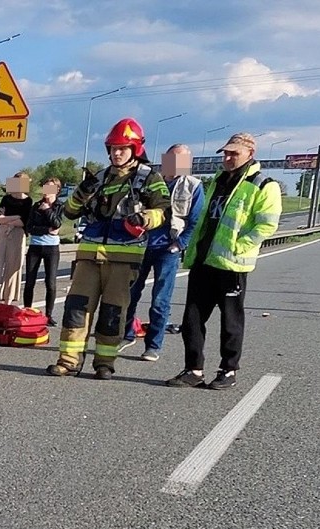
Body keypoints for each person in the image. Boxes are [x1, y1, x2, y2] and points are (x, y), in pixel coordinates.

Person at [47, 118, 170, 380]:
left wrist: (145, 218)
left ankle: (104, 363)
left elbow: (164, 212)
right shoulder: (99, 178)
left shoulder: (150, 178)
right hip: (89, 256)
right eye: (113, 148)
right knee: (76, 308)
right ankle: (68, 360)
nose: (116, 153)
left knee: (113, 312)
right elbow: (69, 212)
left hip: (124, 258)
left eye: (123, 148)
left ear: (135, 149)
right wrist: (82, 191)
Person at [167, 133, 282, 390]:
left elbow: (267, 225)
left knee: (231, 322)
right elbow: (206, 219)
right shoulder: (219, 180)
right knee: (192, 320)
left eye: (234, 154)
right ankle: (193, 369)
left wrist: (239, 246)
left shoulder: (264, 184)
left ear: (250, 154)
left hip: (232, 265)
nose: (228, 158)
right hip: (205, 260)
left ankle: (228, 371)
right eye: (226, 153)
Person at [118, 144, 204, 361]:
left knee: (160, 299)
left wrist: (180, 244)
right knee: (129, 294)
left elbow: (195, 221)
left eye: (180, 160)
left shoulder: (193, 186)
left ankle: (153, 345)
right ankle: (127, 334)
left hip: (168, 249)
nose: (175, 165)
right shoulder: (151, 180)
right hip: (142, 244)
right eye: (172, 159)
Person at [0, 172, 32, 311]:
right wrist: (13, 218)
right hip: (2, 232)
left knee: (13, 267)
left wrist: (10, 221)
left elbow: (24, 220)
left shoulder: (28, 201)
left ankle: (7, 303)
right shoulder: (6, 199)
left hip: (17, 234)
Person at [23, 177, 64, 325]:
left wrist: (47, 210)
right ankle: (27, 310)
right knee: (29, 281)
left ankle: (49, 315)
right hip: (35, 247)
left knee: (50, 282)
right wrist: (46, 229)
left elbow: (57, 224)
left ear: (57, 190)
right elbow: (29, 228)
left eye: (50, 188)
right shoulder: (35, 206)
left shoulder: (60, 206)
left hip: (51, 248)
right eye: (45, 187)